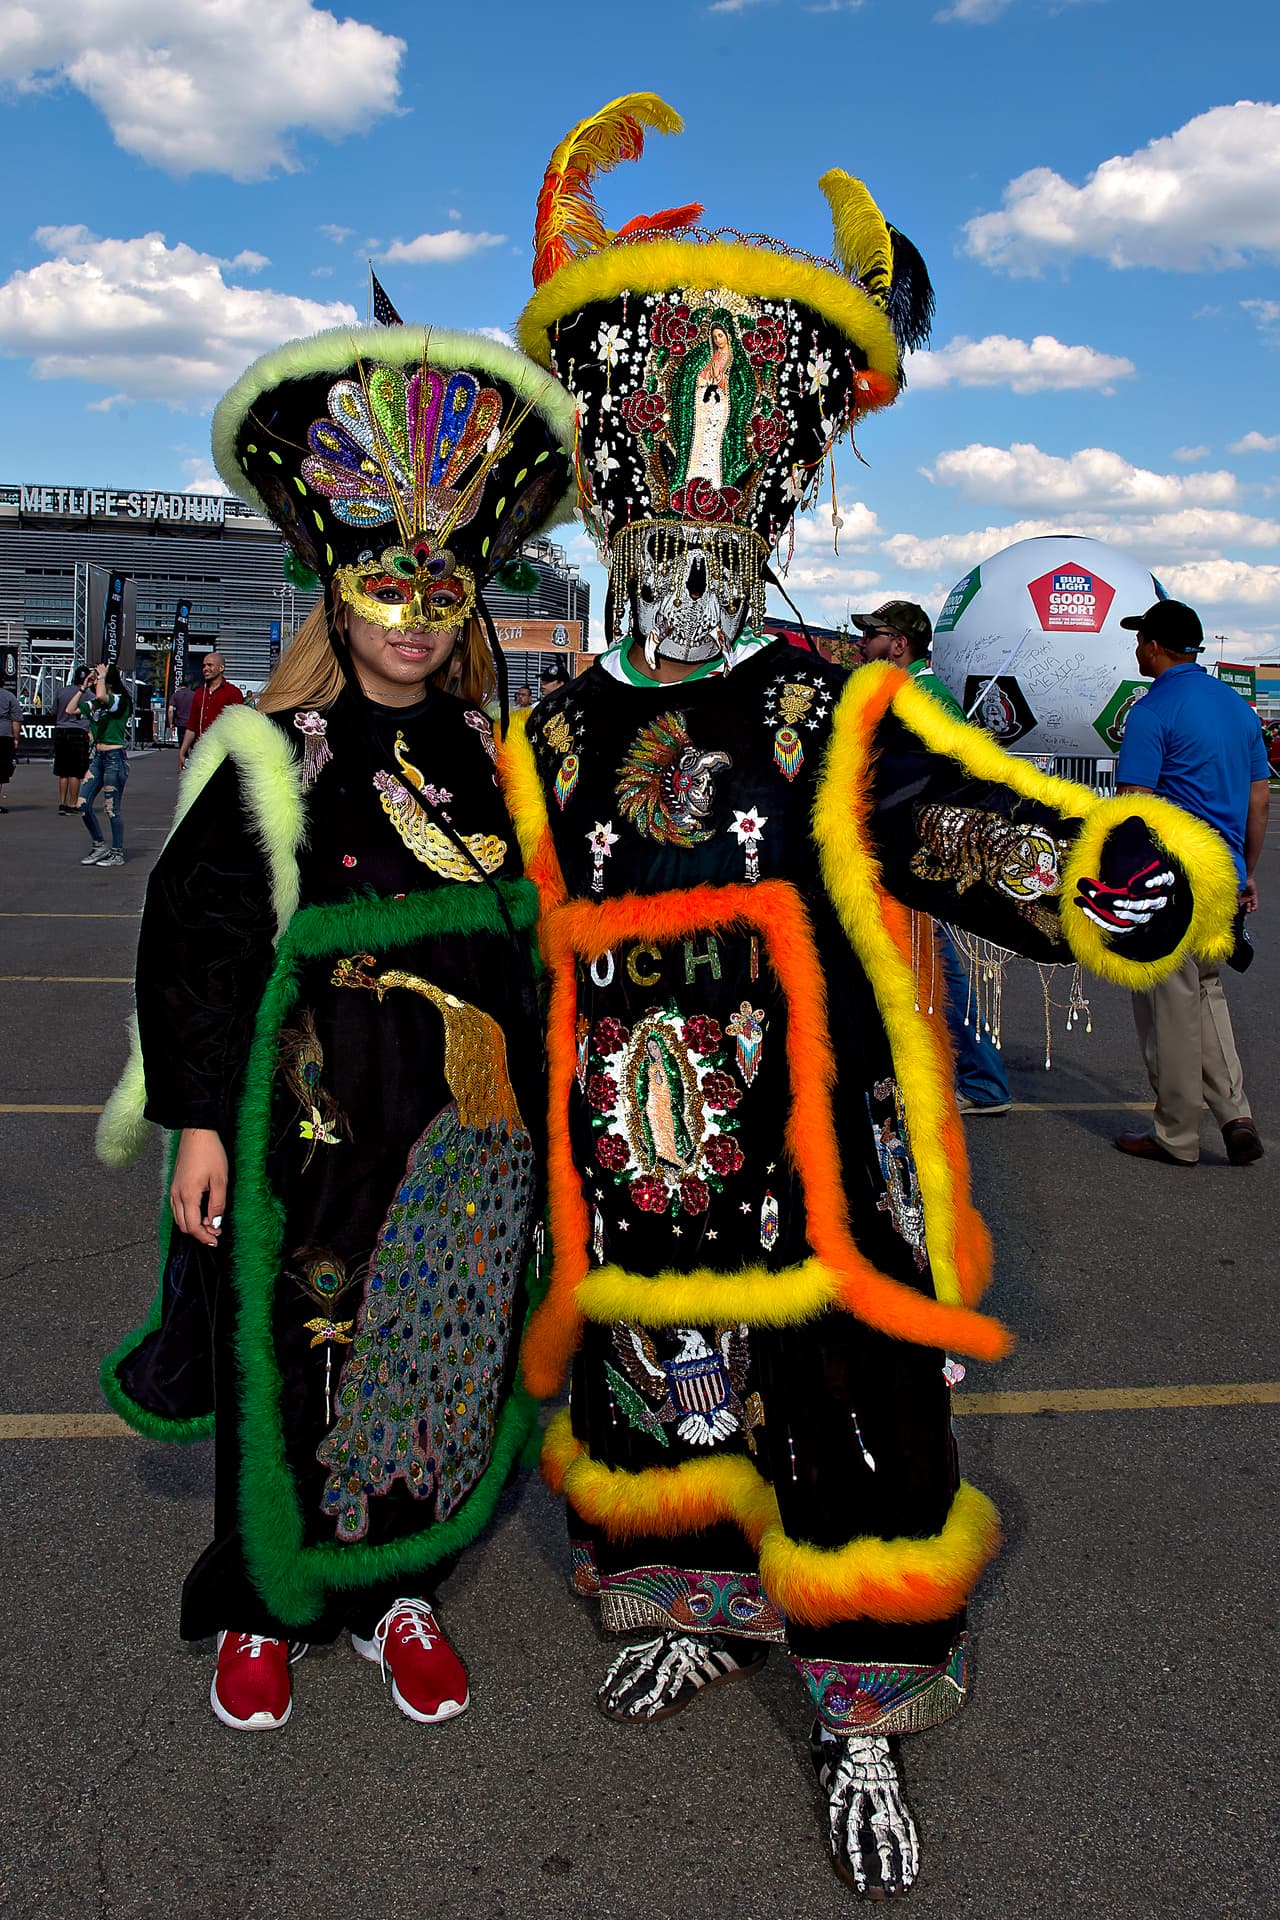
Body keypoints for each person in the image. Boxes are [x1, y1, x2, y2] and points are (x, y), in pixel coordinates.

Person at [507, 93, 1240, 1900]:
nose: (684, 572)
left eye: (718, 542)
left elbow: (970, 831)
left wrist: (1096, 879)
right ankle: (693, 1598)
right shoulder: (557, 723)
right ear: (614, 524)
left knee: (847, 1416)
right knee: (656, 1392)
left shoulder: (839, 706)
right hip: (634, 1152)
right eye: (657, 539)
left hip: (818, 1143)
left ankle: (861, 1707)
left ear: (763, 534)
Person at [97, 324, 577, 1732]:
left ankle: (394, 1592)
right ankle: (264, 1601)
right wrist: (195, 1121)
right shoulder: (270, 750)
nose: (415, 617)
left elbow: (535, 949)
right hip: (302, 1135)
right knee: (291, 1353)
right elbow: (198, 952)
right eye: (386, 586)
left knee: (438, 1359)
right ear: (336, 595)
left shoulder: (495, 759)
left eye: (441, 589)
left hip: (464, 1150)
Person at [1112, 599, 1268, 1167]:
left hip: (1172, 873)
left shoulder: (1153, 711)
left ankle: (1176, 1133)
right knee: (1207, 989)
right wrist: (1246, 869)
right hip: (1223, 869)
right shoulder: (1238, 708)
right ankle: (1235, 1113)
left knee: (1168, 1000)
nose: (1136, 649)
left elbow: (1136, 805)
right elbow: (1257, 801)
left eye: (1140, 640)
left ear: (1155, 646)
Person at [853, 602, 1012, 1116]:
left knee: (935, 963)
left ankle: (983, 1082)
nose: (861, 645)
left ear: (899, 644)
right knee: (917, 961)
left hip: (916, 855)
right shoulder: (911, 693)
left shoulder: (921, 698)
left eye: (872, 636)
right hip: (905, 853)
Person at [79, 662, 133, 866]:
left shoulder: (119, 700)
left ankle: (117, 852)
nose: (95, 679)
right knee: (82, 804)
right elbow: (72, 709)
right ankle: (99, 845)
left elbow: (103, 696)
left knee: (111, 807)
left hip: (114, 758)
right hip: (99, 758)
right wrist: (83, 687)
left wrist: (101, 676)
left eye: (99, 676)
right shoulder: (98, 703)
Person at [178, 652, 243, 768]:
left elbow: (238, 727)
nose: (205, 669)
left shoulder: (233, 693)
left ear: (221, 668)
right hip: (200, 753)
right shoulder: (199, 693)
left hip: (222, 755)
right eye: (204, 666)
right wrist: (182, 751)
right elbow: (191, 726)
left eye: (210, 665)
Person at [53, 666, 93, 813]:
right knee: (75, 772)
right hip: (79, 732)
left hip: (61, 730)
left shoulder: (62, 691)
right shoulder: (89, 695)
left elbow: (54, 711)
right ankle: (73, 804)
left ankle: (62, 803)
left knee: (62, 771)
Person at [0, 680, 20, 813]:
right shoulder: (9, 696)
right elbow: (16, 720)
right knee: (0, 772)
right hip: (4, 735)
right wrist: (16, 738)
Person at [169, 675, 197, 749]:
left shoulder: (175, 695)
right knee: (193, 745)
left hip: (180, 722)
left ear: (179, 687)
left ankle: (184, 758)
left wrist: (171, 723)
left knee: (182, 745)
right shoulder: (194, 694)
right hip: (192, 723)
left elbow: (170, 710)